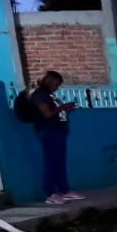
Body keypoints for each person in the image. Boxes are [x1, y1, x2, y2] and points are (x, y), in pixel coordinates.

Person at [29, 70, 85, 205]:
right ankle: (51, 193)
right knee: (51, 163)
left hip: (58, 131)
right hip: (49, 132)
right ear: (49, 82)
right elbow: (47, 114)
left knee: (59, 162)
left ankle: (64, 190)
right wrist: (63, 107)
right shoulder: (39, 95)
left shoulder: (49, 95)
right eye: (56, 84)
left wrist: (65, 109)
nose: (57, 87)